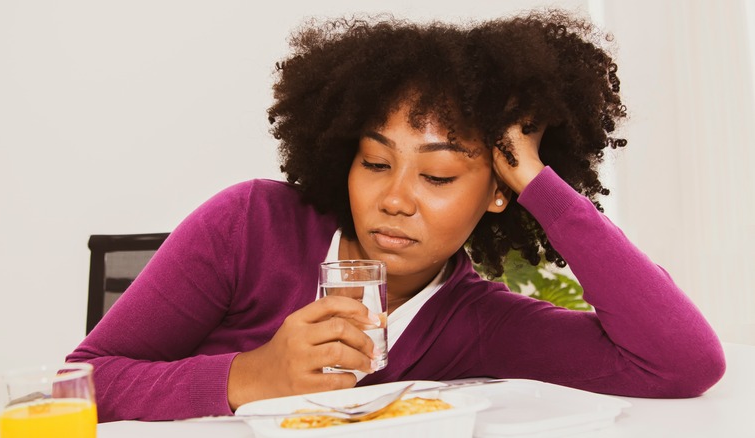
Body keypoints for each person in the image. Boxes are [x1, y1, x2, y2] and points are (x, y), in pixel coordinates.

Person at [67, 9, 725, 422]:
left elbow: (681, 364)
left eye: (438, 175)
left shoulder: (474, 321)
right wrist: (252, 375)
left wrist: (541, 186)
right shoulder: (249, 226)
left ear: (497, 192)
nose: (395, 198)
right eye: (376, 163)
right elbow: (83, 385)